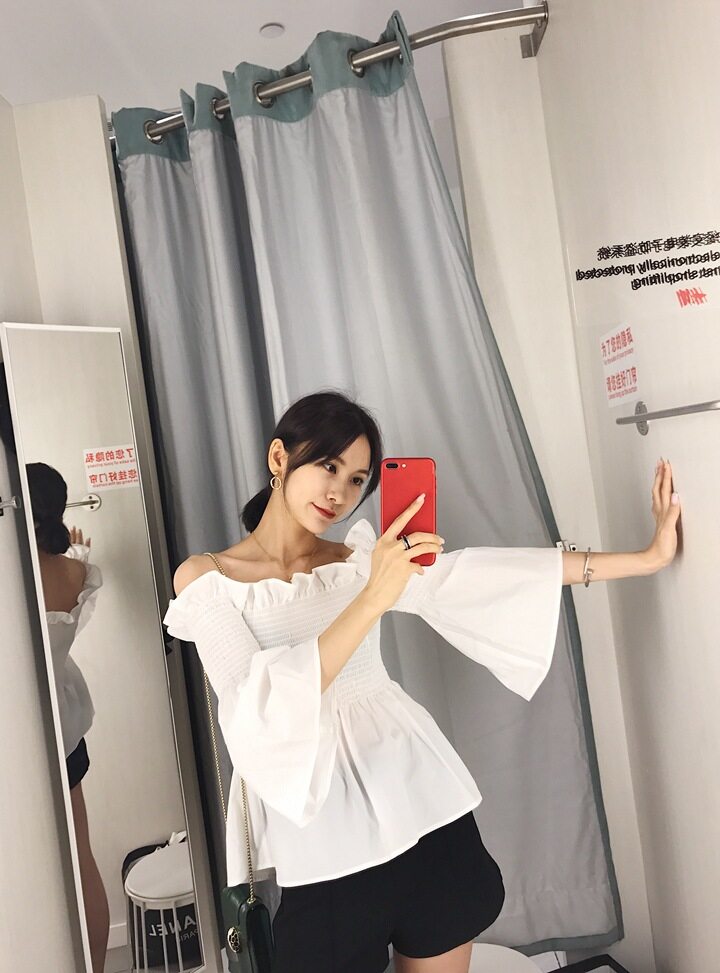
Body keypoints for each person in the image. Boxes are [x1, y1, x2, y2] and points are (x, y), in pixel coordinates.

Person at [164, 391, 680, 973]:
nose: (339, 493)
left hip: (424, 813)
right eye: (328, 466)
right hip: (323, 844)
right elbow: (257, 708)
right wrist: (372, 597)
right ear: (279, 457)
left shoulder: (362, 558)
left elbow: (478, 577)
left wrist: (645, 559)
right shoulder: (208, 579)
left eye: (357, 480)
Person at [26, 462, 110, 973]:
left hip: (21, 736)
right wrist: (75, 552)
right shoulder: (75, 572)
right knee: (82, 857)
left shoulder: (16, 574)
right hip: (66, 726)